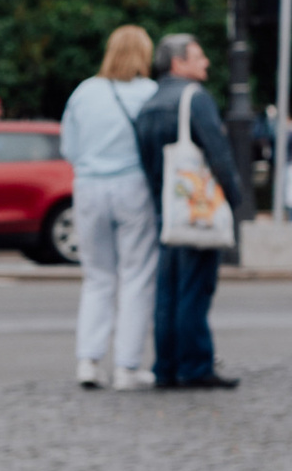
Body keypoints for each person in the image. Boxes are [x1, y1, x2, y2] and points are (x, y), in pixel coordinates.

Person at [134, 30, 247, 390]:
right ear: (179, 62)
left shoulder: (149, 102)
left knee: (167, 291)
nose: (206, 62)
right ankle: (195, 365)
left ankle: (165, 366)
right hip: (196, 210)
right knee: (195, 288)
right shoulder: (194, 99)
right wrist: (234, 196)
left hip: (166, 209)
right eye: (199, 56)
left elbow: (146, 161)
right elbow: (219, 153)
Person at [59, 27, 157, 389]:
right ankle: (126, 366)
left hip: (89, 187)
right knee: (136, 275)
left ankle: (88, 360)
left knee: (98, 277)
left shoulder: (85, 92)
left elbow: (69, 147)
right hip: (133, 187)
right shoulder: (150, 93)